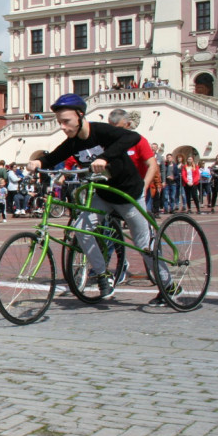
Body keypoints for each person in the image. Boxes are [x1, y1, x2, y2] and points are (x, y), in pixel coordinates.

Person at [28, 94, 174, 304]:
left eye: (66, 121)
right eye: (59, 122)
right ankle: (102, 274)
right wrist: (37, 162)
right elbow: (52, 158)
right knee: (81, 229)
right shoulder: (72, 143)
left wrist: (105, 157)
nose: (62, 126)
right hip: (104, 194)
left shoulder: (101, 131)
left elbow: (131, 137)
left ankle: (169, 285)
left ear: (80, 116)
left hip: (128, 193)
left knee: (143, 243)